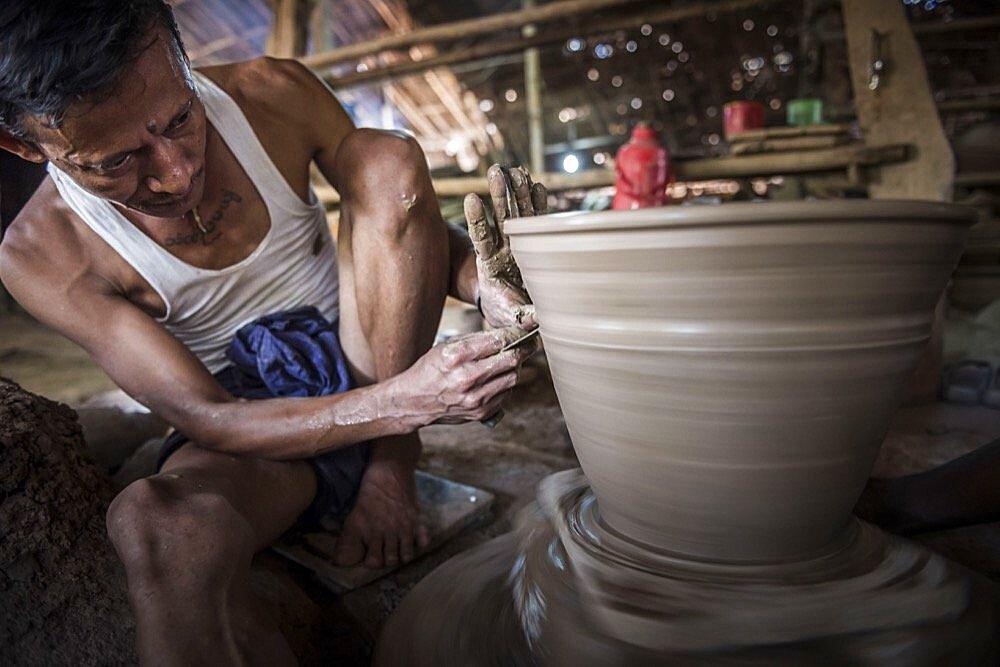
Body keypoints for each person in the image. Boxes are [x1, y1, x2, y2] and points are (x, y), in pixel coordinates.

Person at [0, 1, 545, 662]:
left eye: (179, 119)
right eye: (116, 161)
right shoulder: (40, 251)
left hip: (371, 345)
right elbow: (210, 418)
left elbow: (400, 220)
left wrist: (479, 282)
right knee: (154, 523)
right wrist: (410, 400)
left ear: (179, 58)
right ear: (25, 145)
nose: (175, 172)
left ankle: (389, 465)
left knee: (388, 160)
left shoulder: (270, 94)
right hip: (259, 429)